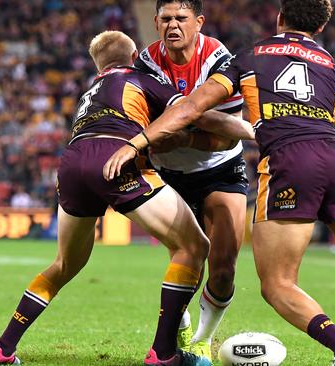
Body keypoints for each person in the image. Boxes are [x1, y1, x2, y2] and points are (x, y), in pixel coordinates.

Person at [103, 1, 335, 365]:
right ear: (320, 27)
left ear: (280, 17)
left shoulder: (248, 58)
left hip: (289, 163)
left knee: (277, 284)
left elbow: (189, 107)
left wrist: (136, 143)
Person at [0, 31, 253, 366]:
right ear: (134, 54)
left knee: (64, 265)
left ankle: (1, 349)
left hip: (72, 165)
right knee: (194, 247)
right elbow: (196, 113)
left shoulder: (89, 93)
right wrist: (254, 130)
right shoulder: (140, 78)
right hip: (115, 157)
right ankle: (164, 354)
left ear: (97, 65)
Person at [133, 1, 248, 359]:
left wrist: (182, 136)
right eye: (165, 19)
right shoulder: (145, 64)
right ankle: (180, 327)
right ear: (155, 22)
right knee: (187, 261)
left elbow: (229, 137)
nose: (173, 25)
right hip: (169, 174)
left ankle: (202, 338)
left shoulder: (220, 61)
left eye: (181, 18)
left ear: (198, 22)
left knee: (225, 265)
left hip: (220, 168)